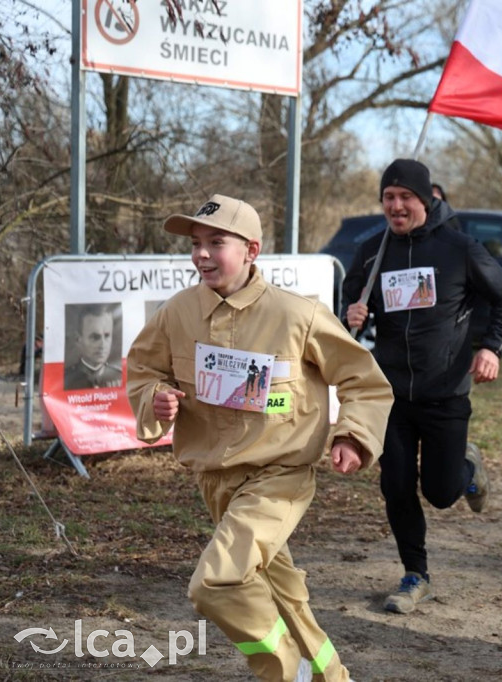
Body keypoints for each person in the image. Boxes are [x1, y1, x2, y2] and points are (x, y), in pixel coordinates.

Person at [127, 194, 393, 682]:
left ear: (251, 249)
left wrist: (353, 436)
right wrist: (156, 399)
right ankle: (331, 677)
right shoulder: (177, 313)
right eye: (195, 244)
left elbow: (364, 380)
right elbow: (143, 371)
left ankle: (282, 671)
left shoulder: (299, 314)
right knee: (281, 593)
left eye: (216, 243)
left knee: (217, 582)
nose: (202, 254)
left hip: (281, 475)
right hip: (215, 478)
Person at [342, 158, 502, 615]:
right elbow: (354, 303)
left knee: (441, 494)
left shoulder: (459, 248)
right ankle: (414, 574)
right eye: (388, 197)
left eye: (406, 197)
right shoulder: (370, 251)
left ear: (427, 199)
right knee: (396, 485)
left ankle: (466, 464)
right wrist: (353, 315)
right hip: (392, 393)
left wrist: (492, 347)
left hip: (446, 390)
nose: (396, 206)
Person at [64, 304, 122, 390]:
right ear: (78, 340)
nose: (102, 345)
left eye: (106, 336)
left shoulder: (119, 376)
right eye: (95, 337)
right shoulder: (66, 379)